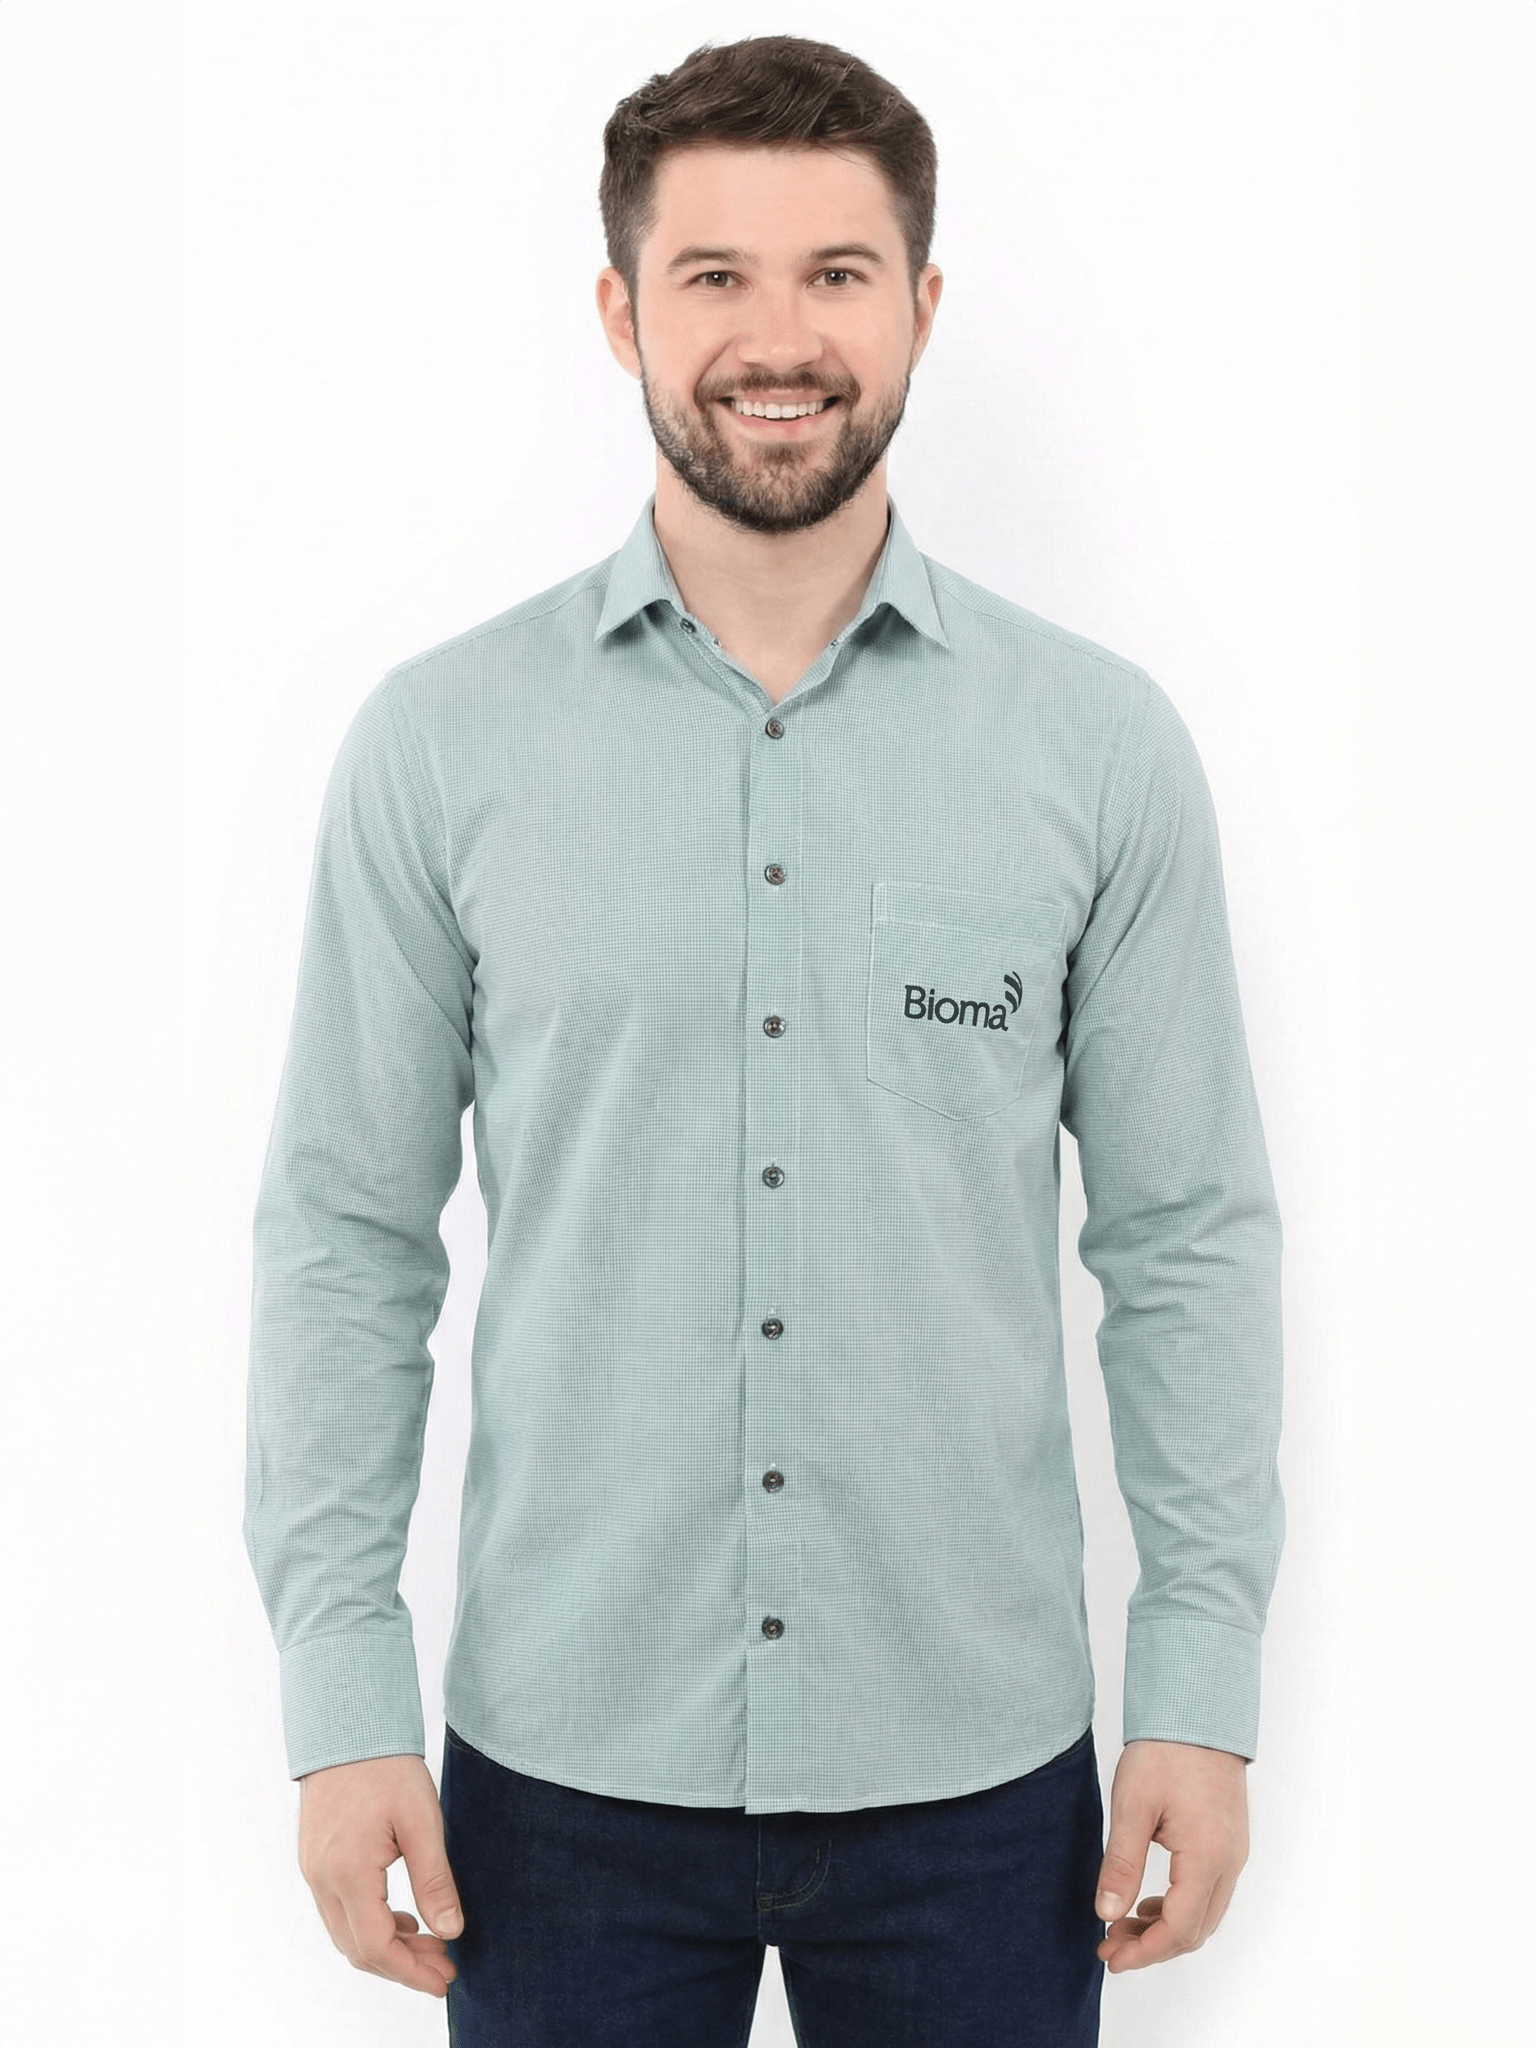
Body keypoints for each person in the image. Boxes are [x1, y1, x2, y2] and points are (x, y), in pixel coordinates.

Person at [243, 33, 1285, 2046]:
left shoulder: (1099, 750)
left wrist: (1200, 1684)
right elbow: (344, 1239)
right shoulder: (440, 749)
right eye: (715, 274)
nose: (779, 337)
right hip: (558, 1784)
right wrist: (342, 1700)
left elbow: (1187, 1242)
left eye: (837, 273)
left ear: (924, 307)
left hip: (984, 1783)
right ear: (621, 309)